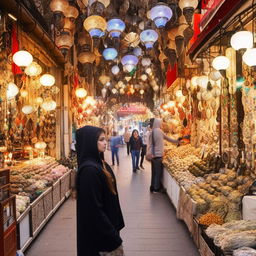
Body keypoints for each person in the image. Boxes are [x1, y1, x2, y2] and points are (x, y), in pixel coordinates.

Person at [76, 125, 125, 256]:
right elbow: (94, 209)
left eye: (105, 139)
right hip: (100, 238)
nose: (105, 142)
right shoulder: (89, 171)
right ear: (90, 142)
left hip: (106, 230)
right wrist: (112, 236)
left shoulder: (99, 163)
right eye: (101, 139)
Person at [147, 118, 180, 193]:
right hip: (158, 155)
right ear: (158, 123)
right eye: (160, 123)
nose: (161, 124)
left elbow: (150, 144)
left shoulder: (152, 132)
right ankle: (156, 189)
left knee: (154, 172)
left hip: (153, 155)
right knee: (158, 173)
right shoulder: (160, 131)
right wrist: (177, 141)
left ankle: (152, 187)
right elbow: (168, 139)